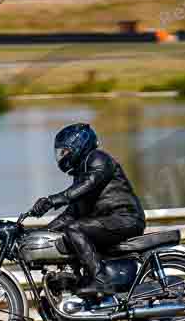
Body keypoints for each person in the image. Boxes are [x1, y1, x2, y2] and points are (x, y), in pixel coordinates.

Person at [31, 123, 146, 295]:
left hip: (124, 218)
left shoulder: (99, 159)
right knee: (70, 230)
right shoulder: (80, 172)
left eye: (65, 151)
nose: (61, 157)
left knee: (75, 229)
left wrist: (52, 200)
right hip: (107, 222)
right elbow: (72, 213)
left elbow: (88, 183)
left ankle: (101, 282)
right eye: (60, 153)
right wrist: (42, 232)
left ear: (78, 146)